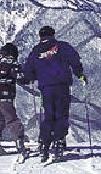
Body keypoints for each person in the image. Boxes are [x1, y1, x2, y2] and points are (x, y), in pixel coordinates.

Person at [23, 25, 85, 163]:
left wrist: (29, 78)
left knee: (49, 116)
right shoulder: (62, 46)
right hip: (61, 86)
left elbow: (28, 70)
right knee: (61, 115)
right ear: (53, 34)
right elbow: (74, 60)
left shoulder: (36, 51)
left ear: (40, 36)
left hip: (45, 88)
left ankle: (44, 144)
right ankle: (58, 143)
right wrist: (80, 74)